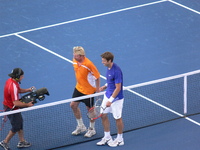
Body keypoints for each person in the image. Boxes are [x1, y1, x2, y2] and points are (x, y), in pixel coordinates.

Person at [0, 68, 34, 150]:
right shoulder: (13, 86)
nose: (23, 77)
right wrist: (27, 105)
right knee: (16, 127)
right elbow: (16, 102)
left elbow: (18, 90)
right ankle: (5, 142)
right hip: (11, 108)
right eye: (22, 76)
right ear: (17, 76)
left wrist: (28, 90)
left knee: (20, 123)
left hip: (13, 107)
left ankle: (22, 142)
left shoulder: (11, 81)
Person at [70, 46, 100, 138]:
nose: (74, 56)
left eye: (76, 55)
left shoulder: (89, 64)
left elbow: (97, 77)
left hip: (89, 91)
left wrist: (97, 89)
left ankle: (92, 129)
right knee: (73, 105)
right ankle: (81, 126)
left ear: (81, 56)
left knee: (90, 110)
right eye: (73, 54)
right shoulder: (75, 60)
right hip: (79, 88)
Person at [97, 52, 124, 147]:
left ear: (109, 61)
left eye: (104, 61)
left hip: (116, 98)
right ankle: (107, 137)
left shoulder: (116, 71)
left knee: (117, 118)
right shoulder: (108, 68)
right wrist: (104, 86)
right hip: (107, 95)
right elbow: (110, 81)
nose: (102, 62)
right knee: (103, 115)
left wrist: (111, 100)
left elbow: (118, 88)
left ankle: (120, 139)